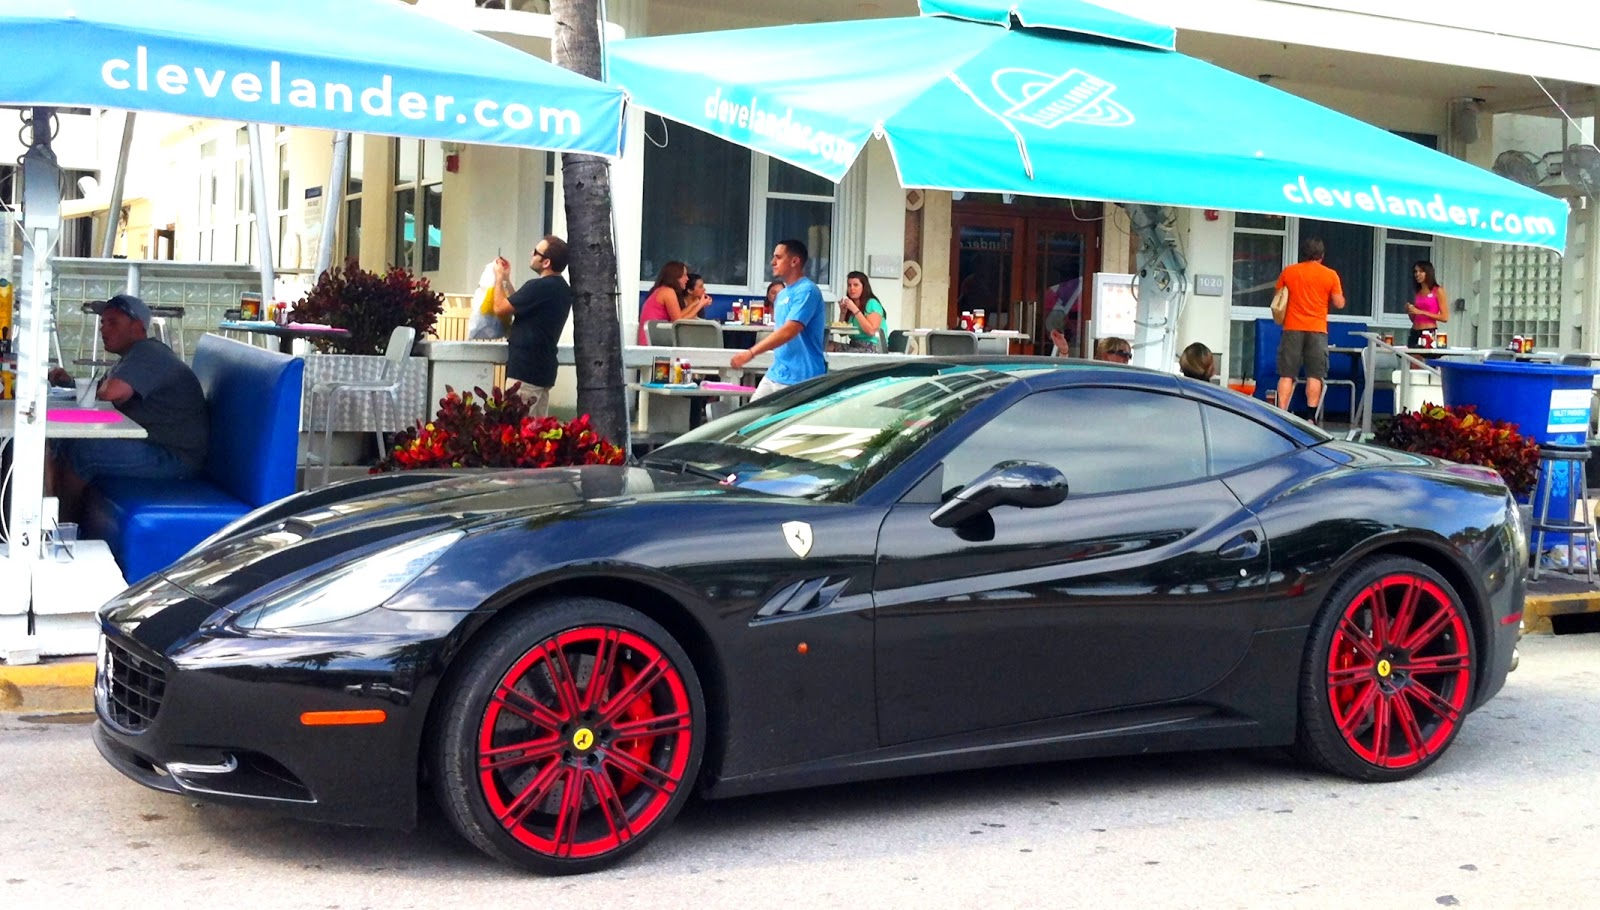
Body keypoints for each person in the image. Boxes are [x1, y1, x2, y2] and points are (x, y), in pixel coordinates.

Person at [45, 294, 209, 522]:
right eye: (103, 322)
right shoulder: (130, 358)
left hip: (175, 457)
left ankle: (64, 526)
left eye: (113, 323)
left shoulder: (149, 352)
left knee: (83, 452)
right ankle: (49, 519)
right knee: (58, 441)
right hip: (153, 445)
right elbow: (102, 391)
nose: (104, 329)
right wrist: (70, 383)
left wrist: (102, 389)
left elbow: (111, 393)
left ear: (138, 327)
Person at [731, 239, 826, 400]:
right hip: (776, 373)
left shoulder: (808, 291)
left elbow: (789, 331)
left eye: (778, 257)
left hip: (801, 377)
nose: (772, 262)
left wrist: (751, 352)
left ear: (794, 261)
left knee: (786, 425)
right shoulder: (781, 295)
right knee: (751, 420)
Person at [492, 234, 572, 417]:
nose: (531, 253)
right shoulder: (561, 288)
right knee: (536, 434)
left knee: (518, 434)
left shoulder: (539, 287)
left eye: (536, 252)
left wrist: (498, 279)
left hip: (525, 373)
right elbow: (518, 303)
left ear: (546, 263)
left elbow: (500, 308)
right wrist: (506, 279)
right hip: (543, 371)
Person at [1273, 236, 1345, 420]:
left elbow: (1278, 296)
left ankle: (1282, 414)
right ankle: (1311, 417)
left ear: (1303, 253)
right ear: (1321, 255)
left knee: (1287, 374)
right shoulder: (1330, 275)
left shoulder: (1290, 271)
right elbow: (1339, 303)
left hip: (1292, 328)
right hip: (1317, 329)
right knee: (1314, 374)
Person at [636, 261, 701, 344]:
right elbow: (678, 322)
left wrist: (695, 304)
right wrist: (700, 305)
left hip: (654, 339)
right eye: (684, 275)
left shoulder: (662, 290)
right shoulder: (668, 292)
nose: (687, 279)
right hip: (652, 343)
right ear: (675, 276)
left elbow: (679, 315)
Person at [834, 270, 888, 352]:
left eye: (856, 285)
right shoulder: (852, 305)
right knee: (825, 347)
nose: (852, 288)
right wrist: (843, 313)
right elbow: (842, 333)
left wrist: (855, 309)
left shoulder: (872, 303)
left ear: (864, 287)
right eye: (849, 285)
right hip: (854, 344)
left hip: (872, 346)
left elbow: (871, 331)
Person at [1405, 260, 1449, 347]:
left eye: (1421, 271)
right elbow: (1414, 319)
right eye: (1416, 271)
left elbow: (1445, 317)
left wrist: (1421, 312)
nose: (1417, 274)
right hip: (1415, 330)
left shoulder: (1438, 291)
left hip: (1428, 331)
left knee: (1424, 358)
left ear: (1428, 273)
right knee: (1411, 358)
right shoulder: (1418, 292)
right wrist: (1410, 311)